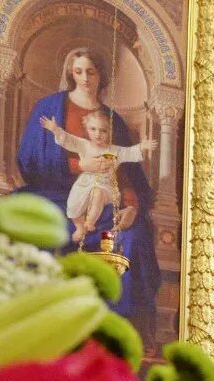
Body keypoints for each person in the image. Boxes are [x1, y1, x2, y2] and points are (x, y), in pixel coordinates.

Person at [15, 47, 161, 343]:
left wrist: (131, 206)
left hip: (106, 198)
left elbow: (126, 172)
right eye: (78, 71)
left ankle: (112, 330)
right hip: (55, 194)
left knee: (133, 236)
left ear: (101, 76)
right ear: (70, 72)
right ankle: (46, 325)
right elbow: (29, 160)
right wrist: (78, 164)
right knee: (48, 227)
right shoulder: (50, 108)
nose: (84, 78)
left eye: (91, 72)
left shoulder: (113, 120)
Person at [39, 112, 156, 244]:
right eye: (93, 129)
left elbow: (129, 152)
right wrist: (55, 130)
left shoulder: (114, 150)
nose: (98, 134)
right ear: (87, 129)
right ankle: (79, 227)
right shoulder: (84, 145)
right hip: (84, 183)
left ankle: (90, 222)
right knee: (73, 206)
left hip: (105, 185)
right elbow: (68, 140)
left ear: (109, 132)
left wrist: (142, 147)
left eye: (103, 130)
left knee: (98, 193)